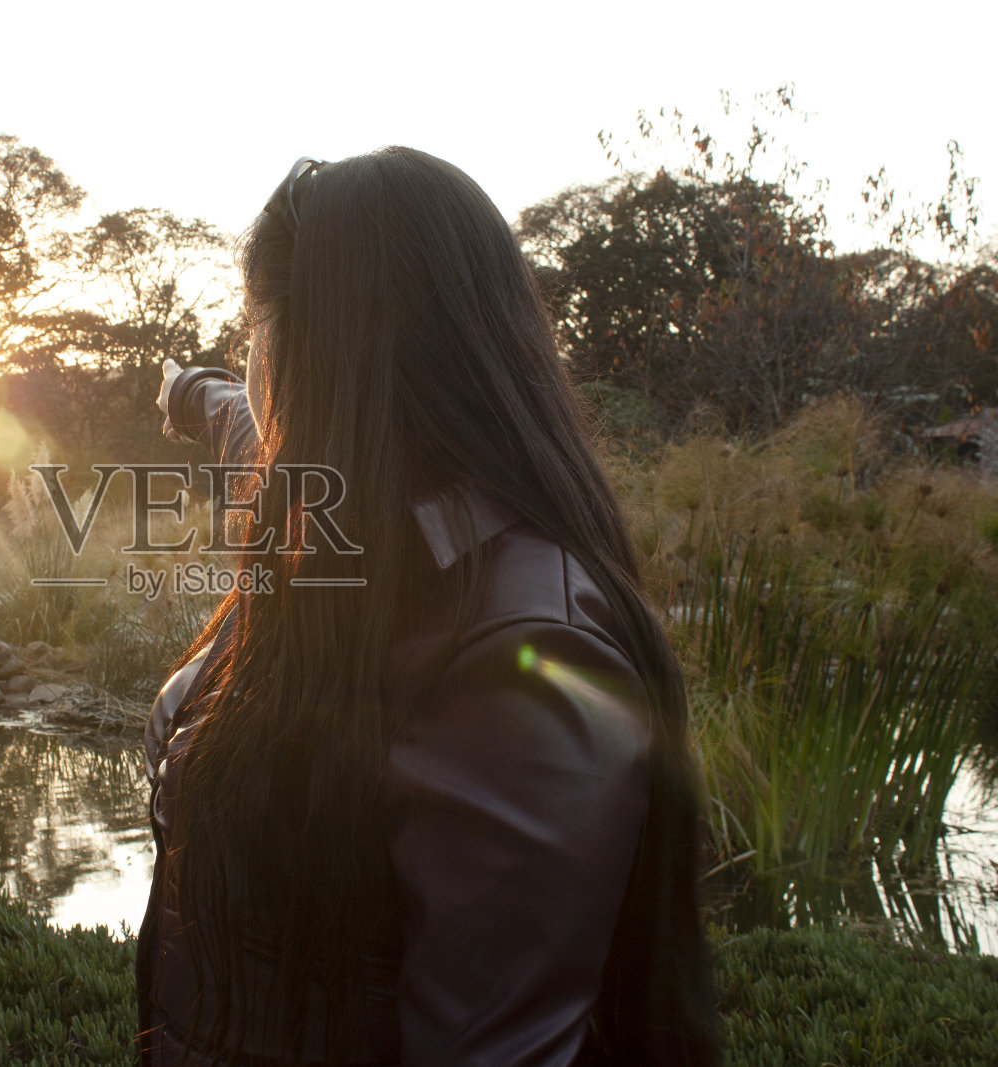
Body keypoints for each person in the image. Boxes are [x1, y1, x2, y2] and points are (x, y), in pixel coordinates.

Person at [139, 149, 720, 1066]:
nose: (251, 366)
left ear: (313, 356)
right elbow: (249, 428)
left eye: (255, 333)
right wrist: (187, 390)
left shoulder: (524, 659)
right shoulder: (343, 528)